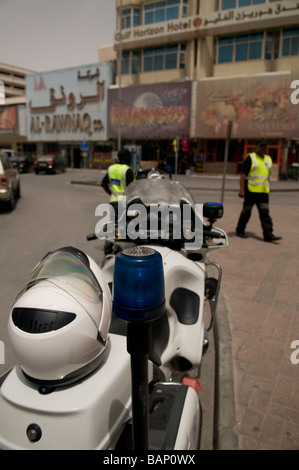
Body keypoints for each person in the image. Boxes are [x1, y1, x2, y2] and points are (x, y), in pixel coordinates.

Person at [236, 140, 282, 243]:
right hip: (251, 191)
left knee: (265, 214)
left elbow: (267, 176)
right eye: (261, 146)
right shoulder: (251, 158)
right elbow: (243, 174)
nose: (263, 148)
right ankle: (240, 230)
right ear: (256, 147)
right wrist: (242, 189)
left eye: (264, 147)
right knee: (246, 212)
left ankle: (268, 235)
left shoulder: (268, 159)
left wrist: (268, 187)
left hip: (263, 193)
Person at [101, 148, 135, 255]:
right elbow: (132, 189)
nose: (131, 159)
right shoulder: (127, 170)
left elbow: (103, 183)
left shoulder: (111, 168)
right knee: (122, 227)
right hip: (124, 203)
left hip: (113, 202)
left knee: (111, 226)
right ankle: (120, 251)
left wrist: (112, 194)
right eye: (130, 157)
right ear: (126, 158)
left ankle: (108, 249)